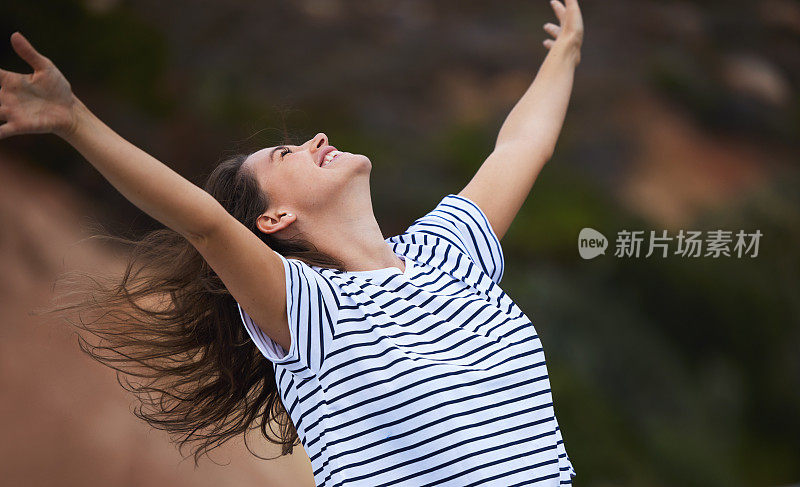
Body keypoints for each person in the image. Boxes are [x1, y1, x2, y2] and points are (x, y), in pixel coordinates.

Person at [1, 0, 583, 484]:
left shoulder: (449, 254)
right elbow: (202, 221)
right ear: (274, 218)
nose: (318, 139)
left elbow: (521, 147)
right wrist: (75, 120)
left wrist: (568, 51)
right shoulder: (311, 312)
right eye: (287, 153)